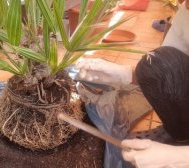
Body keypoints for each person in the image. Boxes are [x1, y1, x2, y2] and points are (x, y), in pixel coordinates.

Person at [75, 1, 189, 167]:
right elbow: (163, 66)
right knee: (155, 65)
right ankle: (182, 135)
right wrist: (125, 74)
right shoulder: (185, 9)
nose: (182, 3)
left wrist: (178, 158)